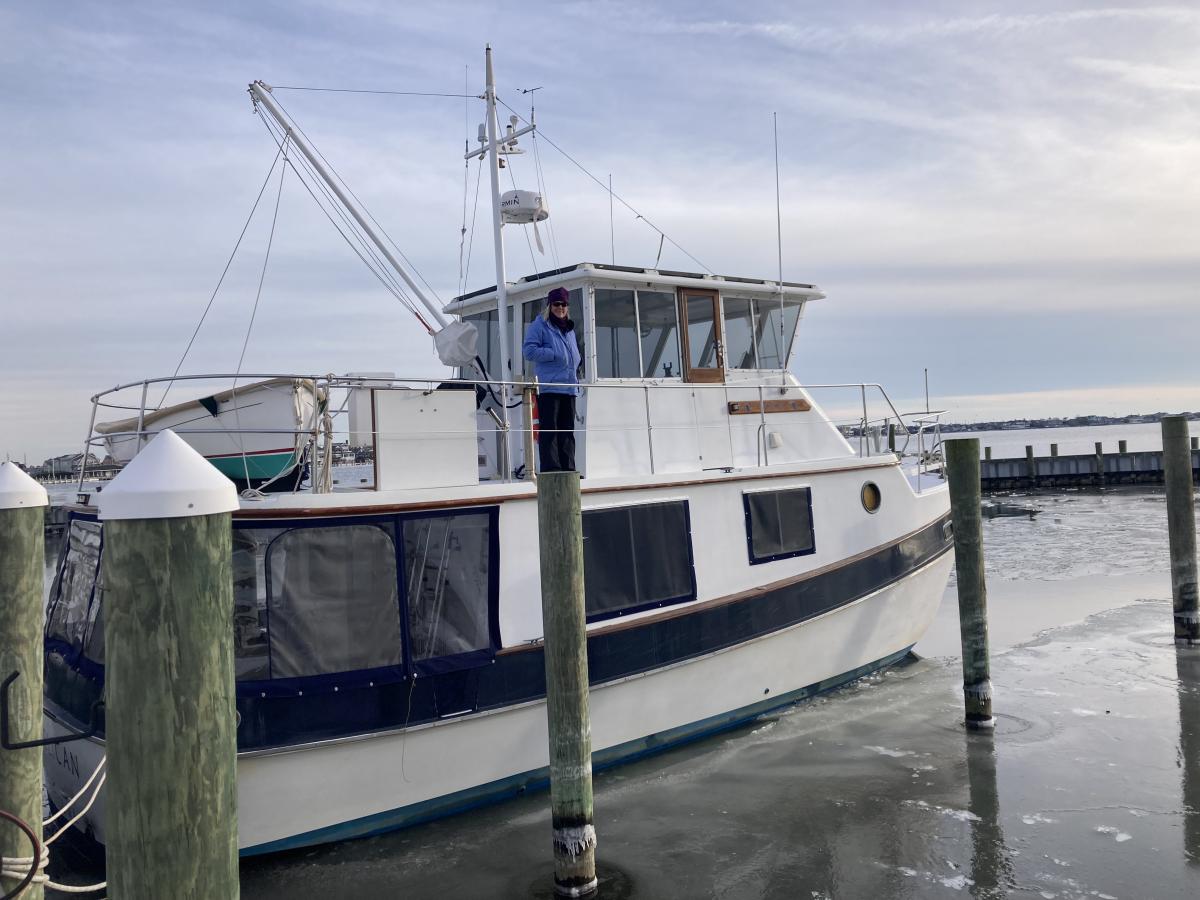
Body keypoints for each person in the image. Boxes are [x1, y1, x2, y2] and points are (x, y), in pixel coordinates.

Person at [522, 286, 581, 472]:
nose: (560, 308)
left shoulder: (569, 329)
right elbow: (529, 351)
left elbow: (572, 355)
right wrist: (553, 353)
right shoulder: (540, 325)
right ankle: (552, 469)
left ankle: (568, 469)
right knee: (550, 430)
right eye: (556, 304)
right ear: (550, 305)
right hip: (550, 386)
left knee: (567, 431)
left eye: (564, 304)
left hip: (569, 387)